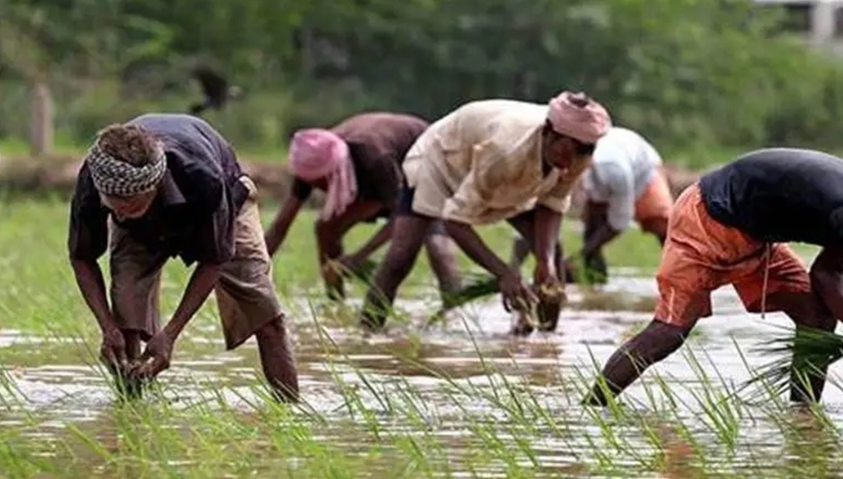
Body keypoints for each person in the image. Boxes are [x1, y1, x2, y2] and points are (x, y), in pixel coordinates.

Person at [583, 148, 843, 411]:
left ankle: (802, 419)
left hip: (753, 238)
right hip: (707, 219)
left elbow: (826, 273)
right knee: (668, 333)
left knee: (817, 315)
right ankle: (591, 409)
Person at [67, 114, 299, 402]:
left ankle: (289, 409)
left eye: (131, 203)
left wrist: (171, 334)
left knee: (264, 310)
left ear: (154, 186)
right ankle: (132, 413)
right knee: (126, 315)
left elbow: (215, 259)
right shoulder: (96, 179)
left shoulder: (204, 178)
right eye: (114, 206)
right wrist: (107, 327)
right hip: (139, 230)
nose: (122, 212)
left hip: (224, 206)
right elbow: (81, 257)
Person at [360, 91, 612, 333]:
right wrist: (503, 273)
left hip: (504, 180)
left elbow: (553, 204)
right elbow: (454, 220)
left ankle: (544, 341)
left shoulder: (577, 154)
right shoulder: (505, 150)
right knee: (402, 254)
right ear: (548, 133)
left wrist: (545, 264)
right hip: (443, 161)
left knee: (551, 256)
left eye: (581, 154)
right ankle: (368, 331)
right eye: (566, 152)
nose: (570, 164)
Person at [264, 112, 462, 301]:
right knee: (326, 229)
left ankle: (454, 309)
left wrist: (359, 257)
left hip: (425, 160)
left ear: (335, 170)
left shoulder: (375, 159)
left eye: (322, 183)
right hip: (370, 179)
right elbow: (281, 226)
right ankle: (335, 300)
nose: (318, 189)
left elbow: (400, 219)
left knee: (435, 245)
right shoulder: (311, 160)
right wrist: (251, 268)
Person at [510, 125, 672, 282]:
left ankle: (678, 275)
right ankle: (593, 279)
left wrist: (578, 257)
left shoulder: (614, 171)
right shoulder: (557, 166)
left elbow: (619, 221)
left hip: (643, 172)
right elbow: (536, 214)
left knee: (662, 226)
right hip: (602, 177)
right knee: (592, 230)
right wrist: (514, 268)